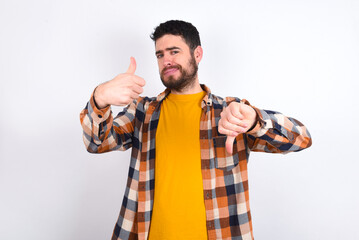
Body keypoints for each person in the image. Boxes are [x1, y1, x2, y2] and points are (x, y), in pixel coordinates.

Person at [80, 20, 312, 240]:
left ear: (197, 54)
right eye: (160, 55)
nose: (166, 60)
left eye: (174, 51)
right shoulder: (142, 111)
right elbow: (96, 143)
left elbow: (301, 138)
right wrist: (100, 99)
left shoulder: (231, 112)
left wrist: (255, 121)